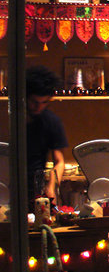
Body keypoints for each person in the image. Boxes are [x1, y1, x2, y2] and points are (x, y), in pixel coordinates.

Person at [26, 65, 68, 206]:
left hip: (36, 188)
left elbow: (59, 161)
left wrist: (51, 187)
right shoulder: (12, 119)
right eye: (34, 102)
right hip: (9, 184)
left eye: (44, 102)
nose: (39, 107)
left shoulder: (51, 121)